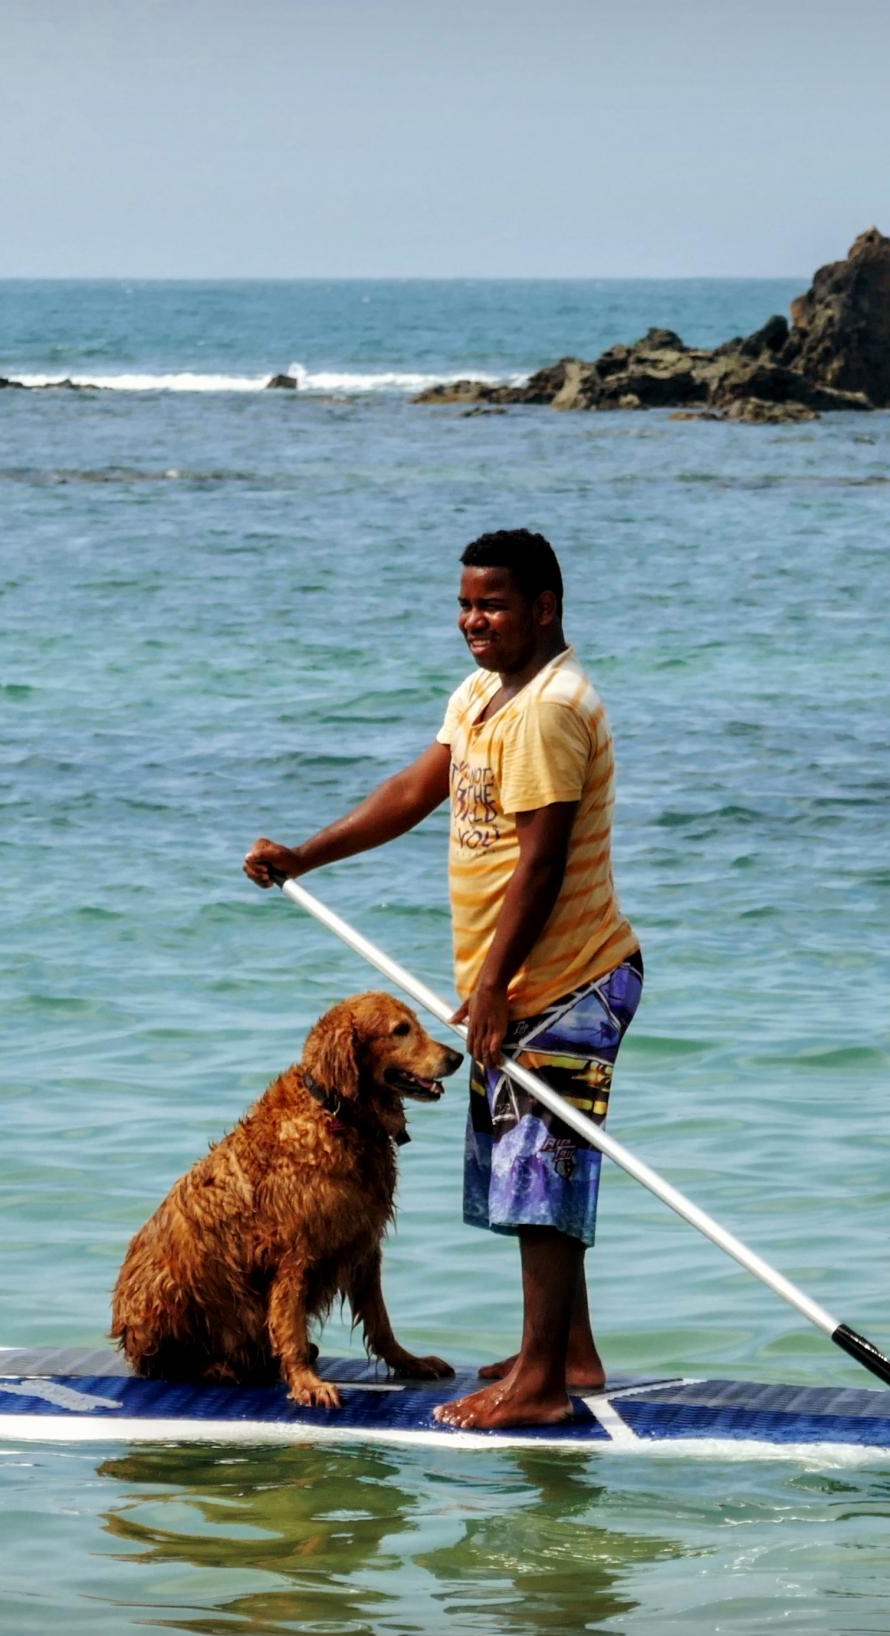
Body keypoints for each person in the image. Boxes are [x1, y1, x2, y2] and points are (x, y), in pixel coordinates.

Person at [244, 528, 641, 1429]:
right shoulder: (484, 697)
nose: (473, 620)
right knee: (530, 1169)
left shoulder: (548, 708)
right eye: (465, 604)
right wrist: (309, 855)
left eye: (493, 604)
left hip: (564, 980)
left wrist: (496, 985)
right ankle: (568, 1353)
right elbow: (413, 792)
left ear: (545, 607)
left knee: (543, 1175)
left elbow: (541, 863)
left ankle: (542, 1387)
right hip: (524, 979)